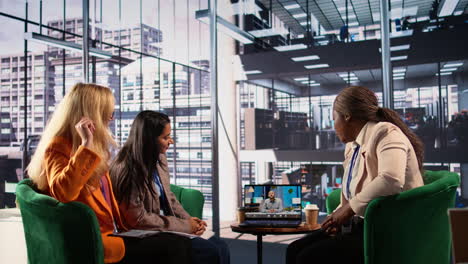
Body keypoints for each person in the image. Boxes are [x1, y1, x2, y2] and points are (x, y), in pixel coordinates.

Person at [27, 83, 191, 264]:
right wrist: (85, 145)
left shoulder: (96, 150)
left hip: (114, 233)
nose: (111, 119)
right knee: (174, 247)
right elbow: (64, 193)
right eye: (107, 113)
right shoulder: (61, 147)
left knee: (177, 243)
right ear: (92, 113)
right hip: (95, 242)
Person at [286, 86, 425, 264]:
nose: (333, 126)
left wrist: (348, 209)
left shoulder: (386, 133)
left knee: (307, 258)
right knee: (294, 249)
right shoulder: (353, 146)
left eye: (334, 119)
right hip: (363, 225)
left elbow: (391, 179)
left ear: (347, 116)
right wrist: (336, 217)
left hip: (387, 229)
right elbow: (353, 190)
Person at [110, 110, 230, 264]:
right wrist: (185, 226)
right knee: (208, 251)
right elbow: (138, 220)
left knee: (221, 245)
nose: (171, 141)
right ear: (149, 140)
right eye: (165, 137)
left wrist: (191, 221)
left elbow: (169, 196)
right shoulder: (126, 169)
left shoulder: (159, 158)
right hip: (142, 232)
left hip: (165, 227)